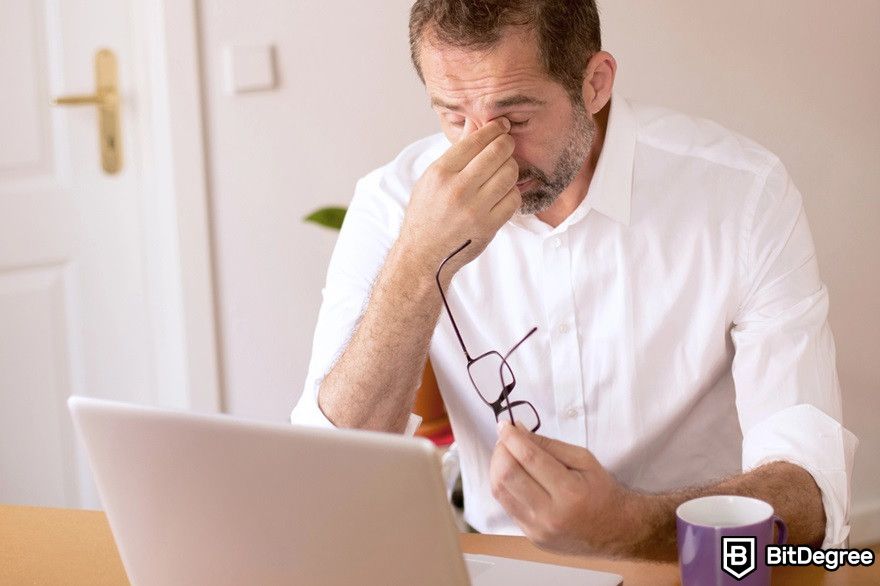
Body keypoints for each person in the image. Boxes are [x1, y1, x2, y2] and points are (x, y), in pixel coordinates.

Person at [291, 0, 857, 560]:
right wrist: (418, 262)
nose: (486, 153)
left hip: (692, 562)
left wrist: (629, 525)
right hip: (503, 566)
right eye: (453, 116)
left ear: (595, 83)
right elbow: (327, 475)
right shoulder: (393, 207)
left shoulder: (741, 193)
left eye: (514, 119)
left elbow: (811, 486)